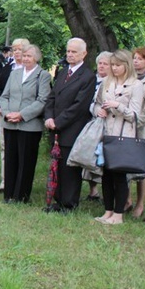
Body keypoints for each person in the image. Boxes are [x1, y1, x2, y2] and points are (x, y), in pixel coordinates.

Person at [44, 37, 96, 213]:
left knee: (70, 169)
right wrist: (49, 117)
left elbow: (79, 106)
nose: (70, 54)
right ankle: (57, 201)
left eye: (74, 52)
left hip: (71, 129)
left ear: (84, 54)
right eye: (68, 51)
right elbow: (52, 97)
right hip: (55, 127)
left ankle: (69, 203)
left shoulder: (88, 76)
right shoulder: (62, 72)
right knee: (57, 167)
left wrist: (58, 122)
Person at [93, 50, 143, 225]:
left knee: (119, 175)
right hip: (106, 132)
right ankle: (108, 210)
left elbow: (136, 115)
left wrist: (118, 106)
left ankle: (118, 213)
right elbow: (97, 102)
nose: (114, 68)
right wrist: (98, 110)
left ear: (126, 65)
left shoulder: (136, 85)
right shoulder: (107, 82)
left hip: (123, 134)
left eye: (117, 65)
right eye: (112, 65)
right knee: (106, 174)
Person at [0, 45, 51, 202]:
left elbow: (42, 100)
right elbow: (4, 96)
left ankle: (21, 196)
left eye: (29, 56)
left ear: (36, 58)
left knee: (25, 161)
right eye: (24, 55)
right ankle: (9, 194)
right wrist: (8, 114)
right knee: (10, 159)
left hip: (29, 126)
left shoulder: (43, 76)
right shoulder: (15, 74)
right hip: (10, 124)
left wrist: (22, 115)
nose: (26, 58)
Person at [125, 47, 145, 218]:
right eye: (134, 58)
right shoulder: (128, 78)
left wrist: (135, 120)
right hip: (124, 126)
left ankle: (140, 203)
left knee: (140, 168)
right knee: (124, 163)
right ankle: (127, 199)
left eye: (139, 58)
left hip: (140, 127)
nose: (136, 61)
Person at [0, 39, 28, 192]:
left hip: (24, 116)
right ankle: (5, 180)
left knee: (21, 149)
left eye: (20, 49)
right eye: (14, 49)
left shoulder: (33, 69)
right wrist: (2, 108)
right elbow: (0, 89)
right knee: (5, 146)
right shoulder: (8, 67)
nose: (17, 52)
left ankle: (19, 182)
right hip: (6, 113)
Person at [84, 51, 112, 201]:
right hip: (89, 119)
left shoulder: (111, 82)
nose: (101, 66)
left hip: (105, 122)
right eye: (100, 63)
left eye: (105, 63)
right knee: (90, 154)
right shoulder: (91, 79)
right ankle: (92, 190)